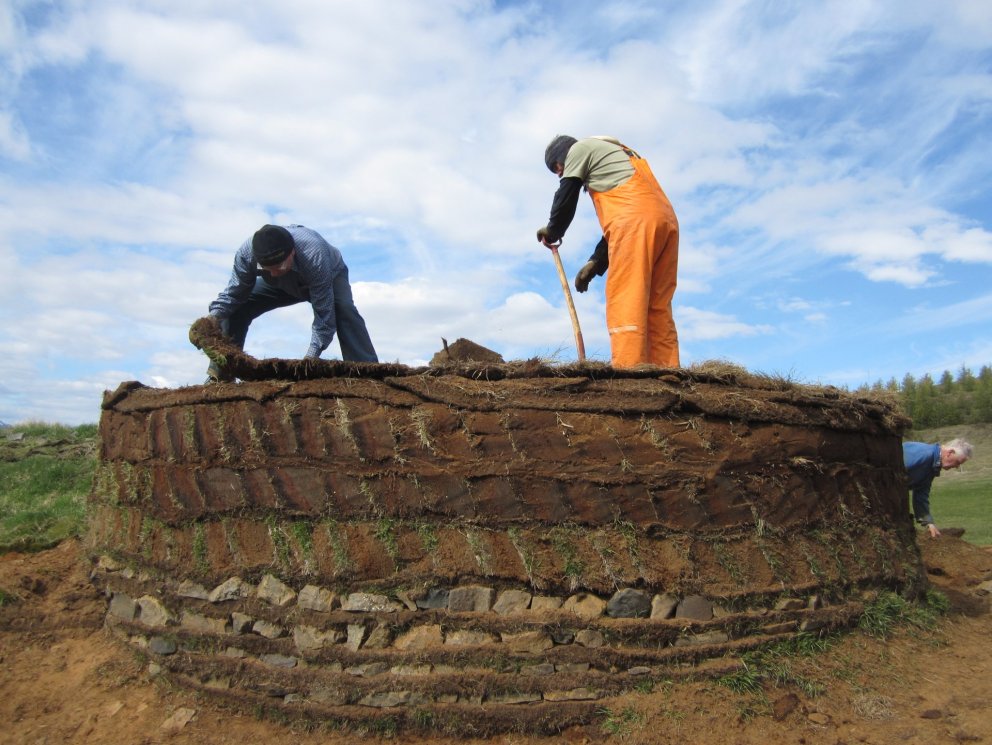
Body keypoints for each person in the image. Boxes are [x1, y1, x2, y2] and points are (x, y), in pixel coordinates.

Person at [536, 135, 680, 368]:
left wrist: (553, 231)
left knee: (626, 295)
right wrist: (596, 263)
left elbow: (566, 198)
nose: (559, 173)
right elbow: (632, 214)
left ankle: (628, 370)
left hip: (635, 223)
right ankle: (667, 369)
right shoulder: (620, 154)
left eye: (556, 167)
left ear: (564, 154)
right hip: (666, 223)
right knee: (658, 304)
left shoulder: (578, 150)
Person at [204, 224, 378, 381]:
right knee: (237, 307)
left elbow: (324, 314)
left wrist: (310, 358)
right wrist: (210, 319)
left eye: (278, 266)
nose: (273, 273)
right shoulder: (246, 254)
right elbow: (234, 294)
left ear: (292, 252)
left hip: (327, 275)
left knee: (342, 309)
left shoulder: (314, 254)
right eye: (267, 269)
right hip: (280, 285)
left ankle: (366, 371)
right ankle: (222, 374)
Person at [903, 438, 973, 538]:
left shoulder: (932, 465)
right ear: (950, 453)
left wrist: (929, 523)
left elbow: (921, 493)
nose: (957, 467)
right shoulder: (924, 454)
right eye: (958, 462)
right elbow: (891, 472)